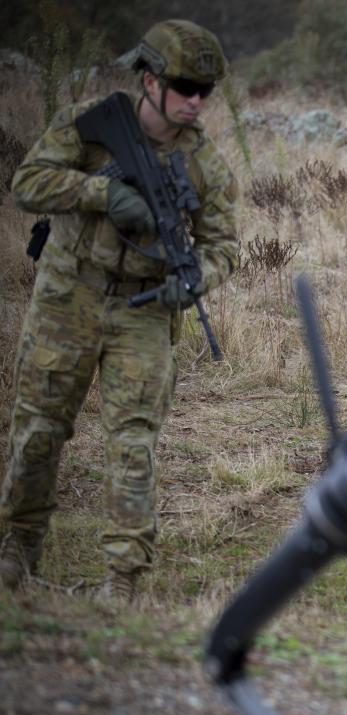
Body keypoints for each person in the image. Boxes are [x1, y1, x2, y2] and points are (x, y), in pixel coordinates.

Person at [0, 20, 238, 601]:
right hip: (69, 294)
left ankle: (124, 577)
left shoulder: (204, 163)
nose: (196, 100)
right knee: (38, 430)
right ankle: (17, 550)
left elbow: (223, 247)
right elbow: (27, 182)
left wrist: (196, 282)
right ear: (150, 79)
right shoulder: (94, 124)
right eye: (185, 85)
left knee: (133, 442)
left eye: (206, 90)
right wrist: (101, 193)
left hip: (146, 307)